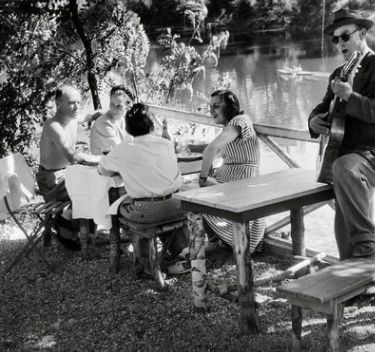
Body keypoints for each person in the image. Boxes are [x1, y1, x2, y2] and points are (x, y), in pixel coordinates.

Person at [308, 9, 375, 260]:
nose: (340, 43)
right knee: (343, 214)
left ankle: (367, 243)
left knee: (345, 169)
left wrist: (350, 95)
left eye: (345, 36)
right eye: (335, 39)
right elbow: (323, 107)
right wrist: (314, 120)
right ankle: (353, 277)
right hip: (349, 153)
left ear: (362, 33)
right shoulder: (337, 75)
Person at [98, 103, 188, 276]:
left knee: (119, 209)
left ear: (128, 129)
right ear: (152, 125)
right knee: (161, 202)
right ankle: (183, 252)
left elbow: (102, 170)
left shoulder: (122, 149)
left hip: (148, 213)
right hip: (177, 206)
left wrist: (124, 167)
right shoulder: (166, 144)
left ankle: (146, 262)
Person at [36, 85, 101, 249]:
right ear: (58, 103)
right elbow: (73, 157)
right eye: (72, 103)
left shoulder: (73, 118)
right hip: (52, 180)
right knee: (92, 185)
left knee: (97, 181)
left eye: (79, 102)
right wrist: (101, 159)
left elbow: (90, 115)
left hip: (67, 174)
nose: (77, 107)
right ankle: (68, 230)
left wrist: (105, 113)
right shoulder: (53, 126)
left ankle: (80, 230)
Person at [199, 89, 263, 253]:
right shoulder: (231, 127)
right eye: (210, 106)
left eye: (216, 106)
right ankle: (213, 240)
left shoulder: (240, 121)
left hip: (241, 185)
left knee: (188, 193)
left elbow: (211, 148)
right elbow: (219, 153)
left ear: (230, 106)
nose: (211, 110)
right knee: (188, 189)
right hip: (233, 182)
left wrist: (203, 178)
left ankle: (200, 247)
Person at [89, 85, 133, 155]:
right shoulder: (104, 123)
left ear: (128, 106)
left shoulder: (124, 120)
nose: (113, 109)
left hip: (119, 162)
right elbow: (120, 151)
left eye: (119, 106)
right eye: (112, 104)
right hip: (105, 164)